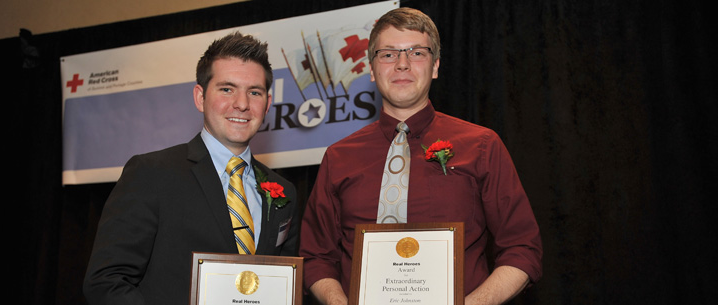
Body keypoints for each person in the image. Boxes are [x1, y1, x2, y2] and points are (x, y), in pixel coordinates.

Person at [299, 8, 542, 305]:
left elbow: (522, 248)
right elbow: (315, 257)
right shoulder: (338, 157)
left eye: (416, 52)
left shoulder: (482, 145)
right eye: (388, 54)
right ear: (372, 69)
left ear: (436, 65)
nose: (402, 64)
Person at [83, 32, 300, 305]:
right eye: (226, 89)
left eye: (254, 92)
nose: (242, 104)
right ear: (200, 97)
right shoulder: (152, 173)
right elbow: (107, 281)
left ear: (267, 104)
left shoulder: (284, 192)